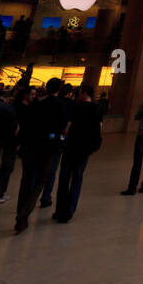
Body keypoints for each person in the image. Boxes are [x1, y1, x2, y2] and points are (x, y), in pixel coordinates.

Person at [15, 78, 69, 233]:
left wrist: (21, 143)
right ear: (59, 89)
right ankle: (24, 212)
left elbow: (26, 125)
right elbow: (62, 127)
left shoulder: (36, 104)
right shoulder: (60, 105)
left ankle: (21, 214)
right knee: (41, 180)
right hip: (48, 148)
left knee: (26, 180)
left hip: (31, 146)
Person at [54, 83, 102, 222]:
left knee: (64, 179)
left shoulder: (75, 107)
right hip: (84, 149)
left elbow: (66, 129)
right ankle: (70, 210)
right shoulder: (97, 108)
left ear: (84, 93)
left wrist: (62, 141)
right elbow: (99, 129)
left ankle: (60, 210)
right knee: (77, 178)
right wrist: (93, 148)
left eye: (80, 92)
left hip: (70, 147)